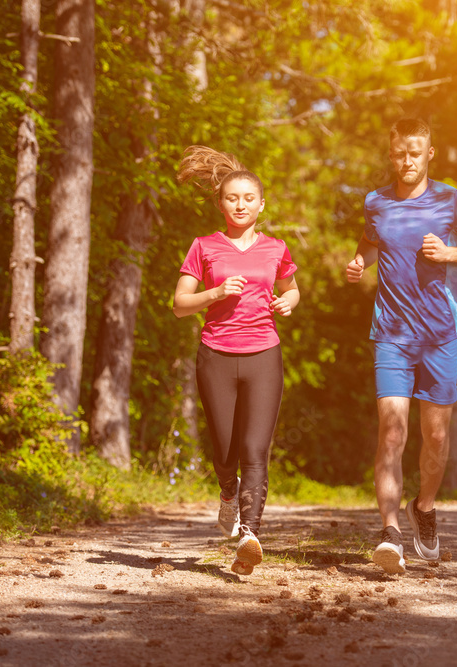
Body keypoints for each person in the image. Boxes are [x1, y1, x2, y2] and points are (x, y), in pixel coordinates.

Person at [347, 118, 457, 574]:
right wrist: (360, 261)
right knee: (392, 431)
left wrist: (453, 253)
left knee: (435, 436)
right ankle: (390, 532)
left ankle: (426, 508)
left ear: (430, 153)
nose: (407, 160)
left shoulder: (451, 200)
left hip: (440, 333)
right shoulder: (376, 202)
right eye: (400, 153)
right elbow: (370, 241)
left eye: (416, 152)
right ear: (391, 154)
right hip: (391, 333)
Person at [173, 145, 300, 575]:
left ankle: (250, 534)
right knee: (225, 449)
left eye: (249, 198)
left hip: (264, 353)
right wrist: (215, 293)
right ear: (221, 203)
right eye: (232, 198)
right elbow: (179, 304)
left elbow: (292, 287)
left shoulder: (275, 247)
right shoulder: (204, 247)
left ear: (261, 204)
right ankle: (228, 491)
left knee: (254, 448)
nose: (240, 204)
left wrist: (289, 302)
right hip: (217, 356)